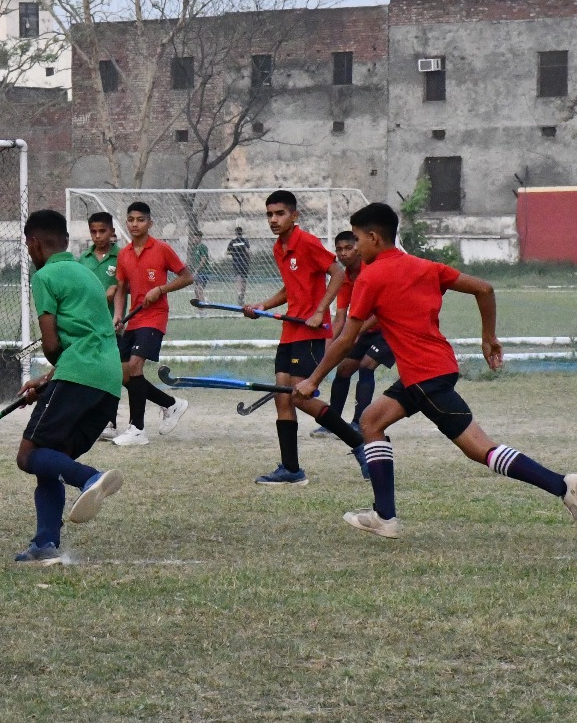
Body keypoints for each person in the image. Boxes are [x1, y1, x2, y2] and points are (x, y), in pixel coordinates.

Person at [294, 202, 577, 538]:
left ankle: (564, 486)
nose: (354, 247)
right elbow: (484, 288)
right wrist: (489, 337)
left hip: (424, 377)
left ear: (374, 238)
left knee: (479, 448)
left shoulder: (370, 276)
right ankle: (384, 517)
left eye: (356, 239)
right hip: (433, 369)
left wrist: (313, 380)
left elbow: (345, 340)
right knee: (371, 421)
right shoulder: (424, 266)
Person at [14, 209, 125, 563]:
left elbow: (51, 346)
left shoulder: (44, 276)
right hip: (108, 381)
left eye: (28, 246)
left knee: (29, 456)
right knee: (50, 458)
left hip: (78, 374)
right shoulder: (87, 274)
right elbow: (86, 337)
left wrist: (54, 375)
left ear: (34, 243)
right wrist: (49, 381)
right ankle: (45, 543)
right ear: (64, 240)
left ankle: (90, 478)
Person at [243, 190, 367, 485]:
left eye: (280, 214)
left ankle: (360, 444)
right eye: (269, 215)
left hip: (310, 332)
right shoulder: (279, 248)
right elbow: (290, 289)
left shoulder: (307, 242)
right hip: (290, 331)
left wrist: (320, 311)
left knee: (299, 396)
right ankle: (291, 469)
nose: (273, 220)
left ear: (294, 215)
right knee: (282, 396)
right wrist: (263, 306)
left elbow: (338, 274)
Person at [109, 201, 193, 446]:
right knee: (123, 374)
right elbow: (121, 288)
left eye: (140, 220)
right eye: (131, 220)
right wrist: (117, 315)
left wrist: (161, 289)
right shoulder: (123, 254)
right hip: (133, 319)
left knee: (135, 366)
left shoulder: (162, 248)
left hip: (154, 317)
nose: (135, 224)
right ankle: (171, 404)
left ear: (150, 223)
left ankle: (137, 430)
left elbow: (187, 277)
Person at [311, 231, 395, 441]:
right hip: (364, 329)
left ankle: (359, 424)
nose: (343, 253)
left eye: (348, 248)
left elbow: (380, 312)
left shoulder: (371, 270)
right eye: (339, 249)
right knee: (343, 369)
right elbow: (340, 318)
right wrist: (328, 348)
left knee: (366, 365)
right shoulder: (345, 279)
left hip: (389, 329)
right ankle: (333, 423)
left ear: (358, 249)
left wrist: (356, 332)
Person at [77, 212, 122, 441]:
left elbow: (129, 285)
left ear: (112, 231)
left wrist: (116, 288)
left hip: (112, 326)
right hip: (88, 327)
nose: (97, 236)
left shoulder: (121, 256)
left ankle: (110, 421)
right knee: (89, 373)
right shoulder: (83, 259)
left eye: (102, 231)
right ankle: (90, 420)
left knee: (110, 374)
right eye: (93, 231)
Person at [227, 226, 251, 305]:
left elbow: (228, 252)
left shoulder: (233, 242)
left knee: (238, 277)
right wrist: (249, 259)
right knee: (244, 278)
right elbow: (247, 251)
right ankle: (242, 294)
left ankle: (239, 292)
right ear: (242, 232)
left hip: (236, 262)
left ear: (236, 233)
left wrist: (234, 253)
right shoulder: (244, 241)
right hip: (244, 262)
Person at [188, 230, 212, 303]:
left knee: (199, 289)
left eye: (197, 238)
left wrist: (196, 270)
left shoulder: (202, 247)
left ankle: (203, 306)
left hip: (203, 271)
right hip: (198, 271)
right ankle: (202, 303)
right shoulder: (195, 248)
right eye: (194, 238)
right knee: (196, 290)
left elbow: (203, 260)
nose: (195, 239)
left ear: (200, 238)